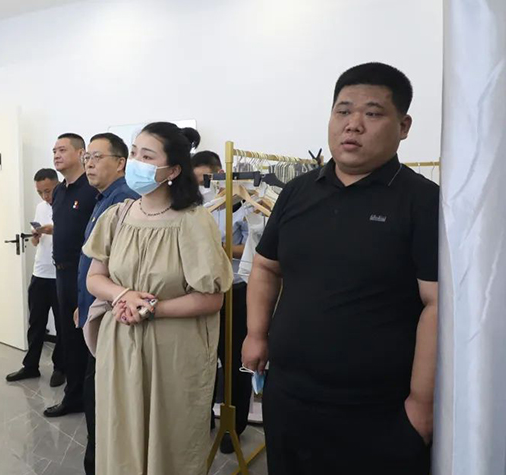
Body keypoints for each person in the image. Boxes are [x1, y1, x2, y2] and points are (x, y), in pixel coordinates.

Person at [242, 62, 439, 475]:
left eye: (372, 113)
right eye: (343, 111)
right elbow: (265, 266)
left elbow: (437, 304)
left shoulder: (422, 201)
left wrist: (422, 404)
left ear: (403, 126)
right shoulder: (297, 192)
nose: (353, 125)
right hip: (289, 397)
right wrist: (256, 334)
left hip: (378, 408)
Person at [84, 122, 233, 474]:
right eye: (134, 152)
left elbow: (211, 300)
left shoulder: (193, 221)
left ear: (173, 170)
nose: (136, 161)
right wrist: (124, 295)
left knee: (170, 439)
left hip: (172, 352)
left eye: (147, 156)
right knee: (121, 431)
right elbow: (94, 278)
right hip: (120, 346)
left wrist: (151, 308)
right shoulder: (117, 216)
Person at [77, 132, 138, 474]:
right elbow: (94, 261)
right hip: (97, 307)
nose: (89, 163)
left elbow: (123, 269)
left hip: (113, 315)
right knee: (94, 397)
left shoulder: (123, 201)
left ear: (121, 162)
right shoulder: (104, 198)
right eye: (87, 157)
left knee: (101, 400)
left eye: (97, 157)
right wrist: (85, 303)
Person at [192, 150, 253, 454]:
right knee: (204, 358)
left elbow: (255, 248)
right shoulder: (201, 207)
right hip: (205, 290)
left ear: (220, 172)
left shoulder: (247, 206)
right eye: (196, 180)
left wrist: (221, 246)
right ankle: (204, 418)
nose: (202, 185)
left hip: (237, 291)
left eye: (205, 178)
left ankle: (235, 426)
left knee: (234, 362)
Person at [43, 133, 98, 418]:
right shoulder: (59, 192)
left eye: (62, 150)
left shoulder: (91, 190)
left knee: (86, 338)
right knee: (68, 338)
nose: (56, 155)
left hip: (85, 274)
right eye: (54, 150)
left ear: (80, 153)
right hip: (61, 273)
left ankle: (90, 400)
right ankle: (73, 396)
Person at [6, 168, 65, 387]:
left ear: (58, 184)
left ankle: (61, 367)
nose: (45, 196)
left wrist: (53, 230)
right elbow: (36, 240)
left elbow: (73, 233)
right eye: (40, 192)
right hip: (40, 272)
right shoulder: (41, 207)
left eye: (48, 191)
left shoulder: (67, 204)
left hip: (60, 274)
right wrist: (36, 236)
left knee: (62, 325)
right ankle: (31, 365)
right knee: (36, 323)